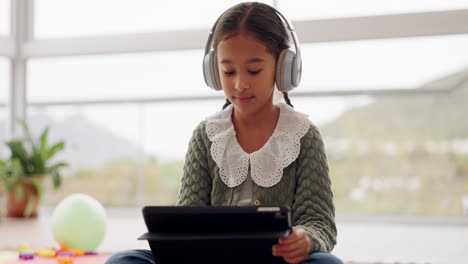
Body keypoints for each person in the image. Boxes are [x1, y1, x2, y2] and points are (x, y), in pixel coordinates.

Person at [105, 2, 342, 264]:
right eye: (228, 71)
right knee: (123, 260)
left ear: (283, 68)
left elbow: (320, 222)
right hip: (212, 260)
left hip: (277, 261)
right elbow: (189, 217)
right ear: (213, 72)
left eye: (254, 70)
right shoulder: (207, 135)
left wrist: (305, 239)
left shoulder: (303, 135)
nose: (240, 84)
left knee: (327, 263)